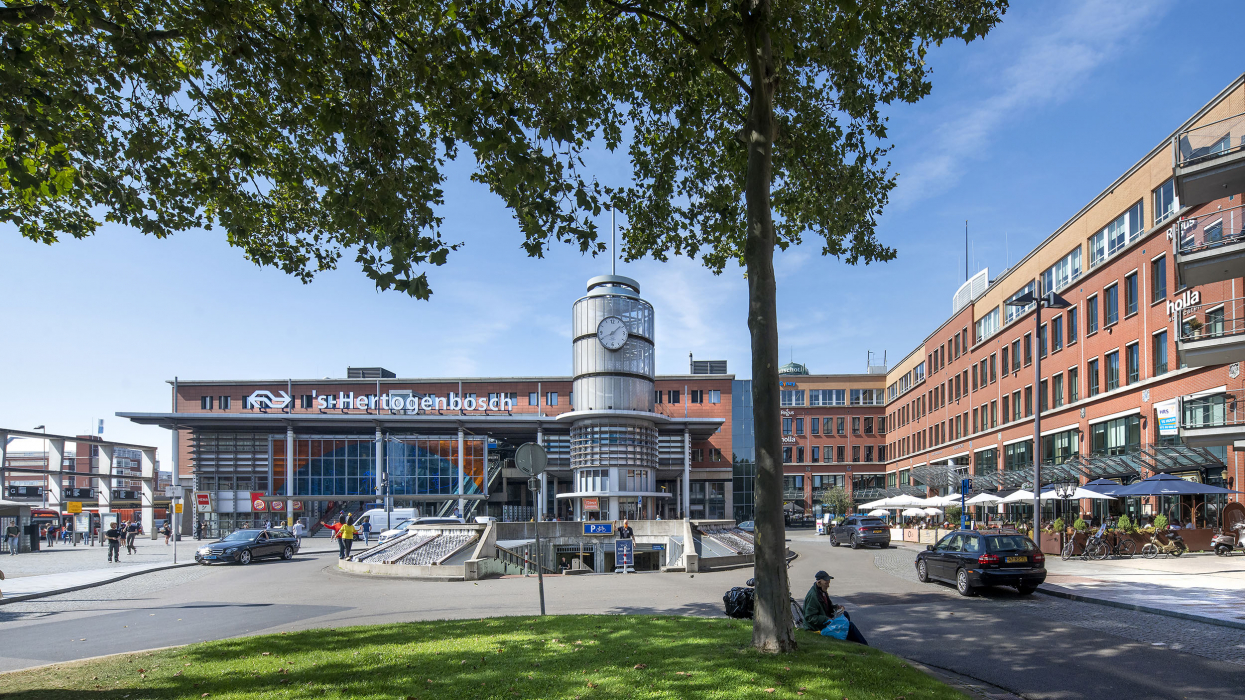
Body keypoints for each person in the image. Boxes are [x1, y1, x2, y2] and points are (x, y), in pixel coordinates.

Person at [801, 570, 868, 645]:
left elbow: (827, 607)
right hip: (816, 626)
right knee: (850, 625)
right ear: (819, 582)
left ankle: (845, 638)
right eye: (826, 583)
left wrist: (836, 607)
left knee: (845, 614)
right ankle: (865, 645)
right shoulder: (813, 596)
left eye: (829, 583)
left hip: (824, 619)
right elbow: (809, 617)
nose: (828, 586)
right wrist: (826, 619)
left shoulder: (821, 591)